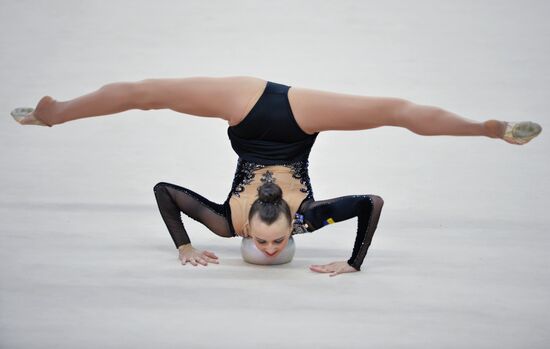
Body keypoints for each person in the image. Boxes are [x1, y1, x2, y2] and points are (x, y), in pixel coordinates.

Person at [11, 76, 542, 277]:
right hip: (299, 119)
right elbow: (372, 202)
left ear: (248, 232)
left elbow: (164, 193)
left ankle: (54, 114)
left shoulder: (223, 226)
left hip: (245, 109)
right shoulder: (308, 221)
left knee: (142, 94)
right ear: (292, 233)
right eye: (277, 242)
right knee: (396, 110)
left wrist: (181, 247)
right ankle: (489, 129)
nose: (268, 244)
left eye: (262, 242)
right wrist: (354, 263)